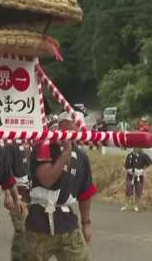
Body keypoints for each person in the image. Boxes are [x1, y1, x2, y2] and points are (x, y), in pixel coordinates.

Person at [26, 112, 97, 261]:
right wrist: (65, 153)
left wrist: (86, 223)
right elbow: (46, 180)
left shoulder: (81, 156)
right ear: (63, 125)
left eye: (79, 125)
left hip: (67, 221)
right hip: (40, 220)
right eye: (74, 125)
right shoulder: (44, 145)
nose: (77, 129)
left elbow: (85, 193)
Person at [6, 142, 31, 261]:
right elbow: (6, 171)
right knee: (21, 230)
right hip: (17, 190)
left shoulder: (31, 144)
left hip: (30, 192)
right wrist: (8, 194)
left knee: (30, 230)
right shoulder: (11, 146)